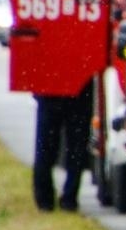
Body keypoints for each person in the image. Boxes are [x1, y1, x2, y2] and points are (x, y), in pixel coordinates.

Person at [32, 80, 94, 212]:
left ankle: (45, 201)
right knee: (76, 148)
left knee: (45, 147)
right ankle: (69, 199)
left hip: (48, 87)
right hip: (79, 89)